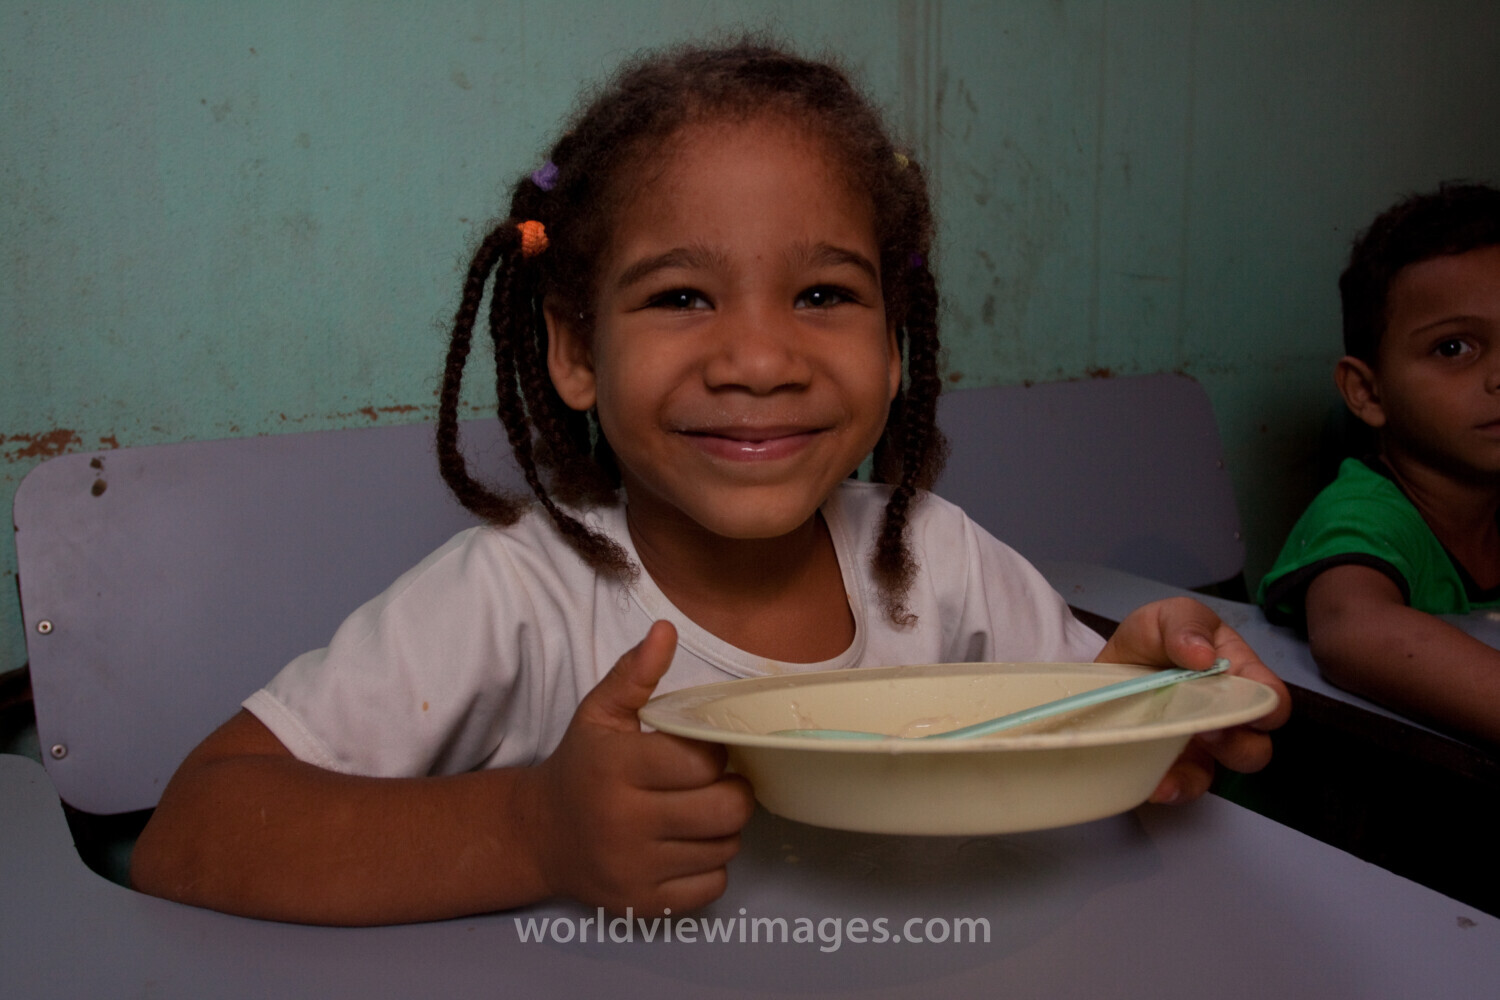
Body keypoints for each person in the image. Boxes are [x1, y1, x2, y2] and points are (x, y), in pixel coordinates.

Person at [130, 40, 1288, 926]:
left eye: (825, 295)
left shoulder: (933, 558)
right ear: (577, 351)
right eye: (682, 296)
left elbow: (1085, 757)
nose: (758, 360)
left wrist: (1146, 707)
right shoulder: (519, 595)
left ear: (896, 347)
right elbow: (190, 832)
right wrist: (536, 828)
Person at [1259, 182, 1500, 747]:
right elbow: (1354, 629)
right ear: (1367, 392)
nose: (1498, 378)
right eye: (1454, 348)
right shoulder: (1365, 513)